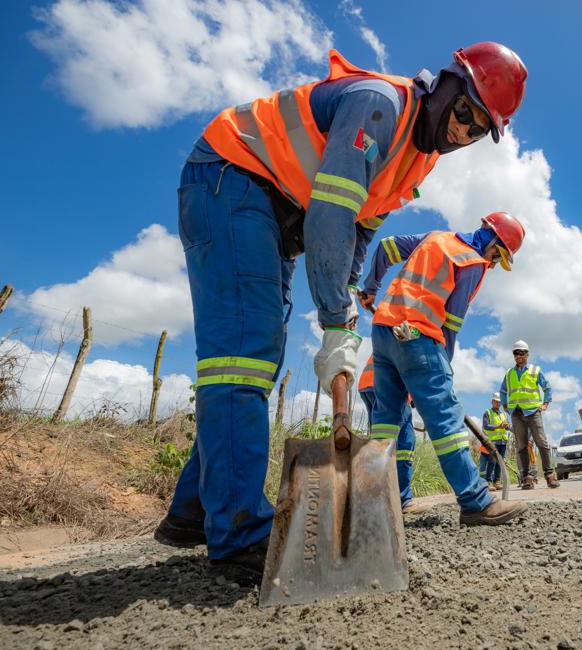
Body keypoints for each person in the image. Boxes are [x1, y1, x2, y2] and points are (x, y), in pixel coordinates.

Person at [154, 42, 528, 572]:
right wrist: (334, 322)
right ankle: (238, 531)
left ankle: (195, 509)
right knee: (244, 352)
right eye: (463, 111)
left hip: (274, 216)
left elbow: (357, 240)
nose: (461, 132)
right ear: (444, 84)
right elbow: (329, 215)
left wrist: (348, 309)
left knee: (257, 355)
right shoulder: (379, 106)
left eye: (477, 130)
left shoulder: (414, 165)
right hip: (234, 178)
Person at [361, 213, 528, 526]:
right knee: (445, 418)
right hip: (418, 336)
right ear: (492, 240)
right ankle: (475, 501)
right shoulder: (472, 263)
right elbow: (451, 324)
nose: (493, 263)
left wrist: (371, 287)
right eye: (497, 255)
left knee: (386, 422)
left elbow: (385, 248)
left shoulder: (435, 238)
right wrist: (443, 368)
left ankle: (381, 502)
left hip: (383, 331)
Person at [357, 355, 430, 512]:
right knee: (405, 443)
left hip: (367, 384)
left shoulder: (388, 336)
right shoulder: (421, 345)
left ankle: (373, 496)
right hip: (389, 386)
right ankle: (402, 499)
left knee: (379, 441)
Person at [500, 340, 557, 489]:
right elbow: (503, 391)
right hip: (516, 414)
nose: (519, 355)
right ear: (514, 355)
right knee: (521, 447)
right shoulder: (509, 373)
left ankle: (549, 475)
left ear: (527, 354)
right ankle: (527, 478)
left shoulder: (535, 370)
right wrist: (505, 405)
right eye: (516, 353)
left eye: (522, 353)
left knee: (542, 443)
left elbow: (547, 388)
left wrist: (545, 404)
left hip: (533, 412)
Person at [480, 392, 511, 489]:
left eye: (499, 402)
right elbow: (486, 426)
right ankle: (488, 482)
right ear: (492, 402)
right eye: (496, 402)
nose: (498, 404)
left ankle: (496, 481)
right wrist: (499, 426)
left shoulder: (503, 414)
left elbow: (506, 427)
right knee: (492, 461)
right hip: (493, 441)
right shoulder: (487, 413)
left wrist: (507, 426)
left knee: (500, 462)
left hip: (503, 441)